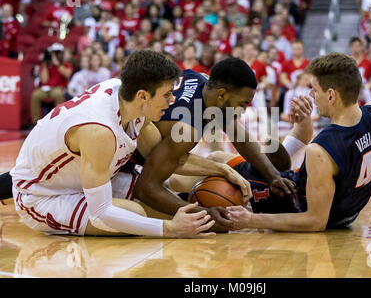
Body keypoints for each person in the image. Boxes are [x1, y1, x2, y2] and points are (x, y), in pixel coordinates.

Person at [174, 53, 371, 232]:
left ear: (330, 94)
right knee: (226, 160)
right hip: (346, 214)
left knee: (214, 165)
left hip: (285, 204)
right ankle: (175, 189)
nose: (312, 96)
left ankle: (166, 193)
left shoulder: (321, 150)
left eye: (314, 90)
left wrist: (251, 219)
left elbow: (315, 221)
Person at [1, 50, 229, 238]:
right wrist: (169, 229)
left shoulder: (127, 98)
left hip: (77, 178)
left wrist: (222, 173)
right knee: (136, 212)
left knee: (160, 201)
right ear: (143, 96)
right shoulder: (100, 131)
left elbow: (161, 159)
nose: (172, 101)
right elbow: (101, 212)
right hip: (42, 197)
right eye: (167, 94)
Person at [131, 57, 297, 233]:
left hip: (146, 159)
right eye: (243, 104)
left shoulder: (201, 80)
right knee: (186, 222)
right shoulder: (186, 129)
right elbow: (146, 188)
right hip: (120, 169)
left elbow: (239, 135)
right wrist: (206, 213)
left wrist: (273, 176)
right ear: (222, 95)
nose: (245, 110)